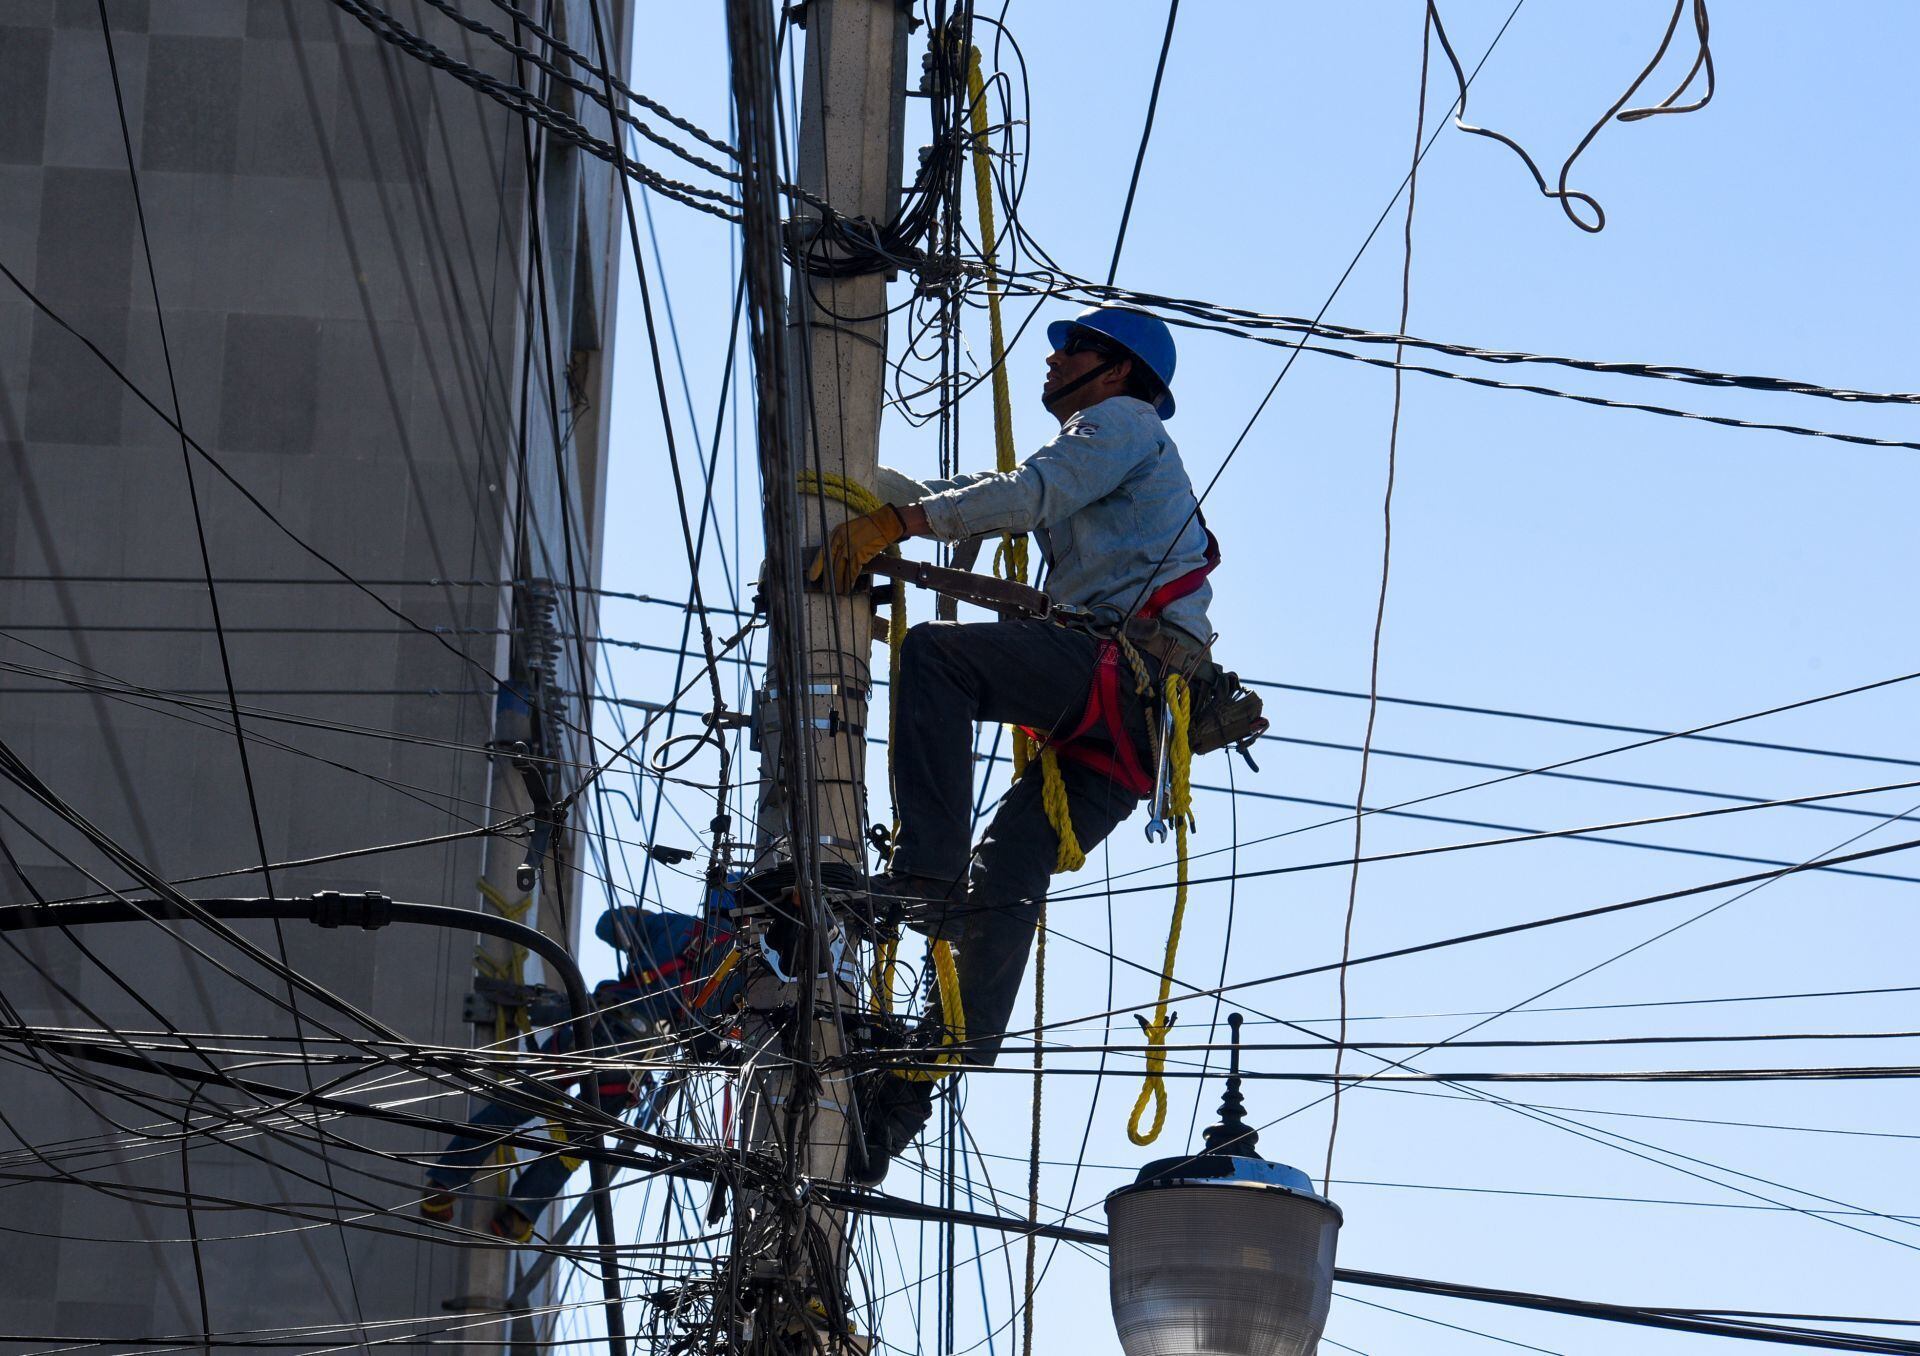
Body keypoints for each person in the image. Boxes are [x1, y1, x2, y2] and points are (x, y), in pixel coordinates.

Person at [810, 304, 1217, 1184]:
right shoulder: (1109, 441)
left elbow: (1028, 495)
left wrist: (901, 525)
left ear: (1115, 370)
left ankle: (922, 874)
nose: (1054, 356)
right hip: (1139, 728)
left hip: (1119, 677)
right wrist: (898, 507)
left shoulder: (1121, 423)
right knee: (1008, 873)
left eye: (1073, 347)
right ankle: (911, 1093)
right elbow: (1016, 494)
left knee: (938, 661)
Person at [420, 901, 740, 1237]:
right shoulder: (740, 971)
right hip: (633, 1064)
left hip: (595, 1028)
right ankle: (518, 1214)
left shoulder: (676, 926)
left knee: (518, 1103)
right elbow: (709, 1043)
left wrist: (636, 923)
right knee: (576, 1141)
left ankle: (444, 1183)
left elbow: (607, 926)